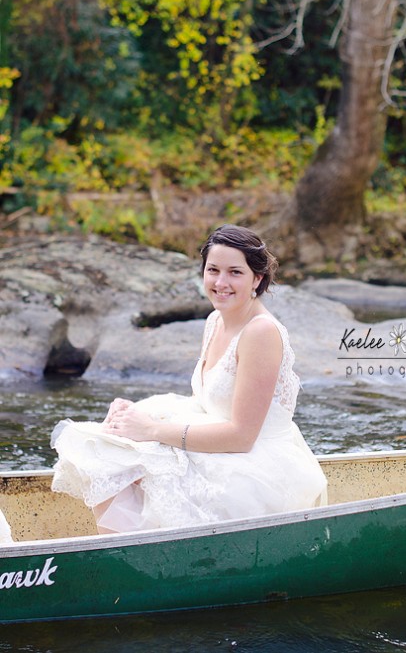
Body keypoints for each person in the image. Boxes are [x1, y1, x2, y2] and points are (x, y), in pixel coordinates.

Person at [51, 224, 327, 534]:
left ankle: (130, 554)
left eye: (235, 272)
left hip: (251, 465)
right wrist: (139, 417)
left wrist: (152, 430)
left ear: (257, 278)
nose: (220, 282)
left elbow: (242, 437)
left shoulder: (260, 333)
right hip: (219, 443)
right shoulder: (215, 320)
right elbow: (206, 405)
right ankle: (127, 550)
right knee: (103, 442)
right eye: (213, 270)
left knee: (118, 459)